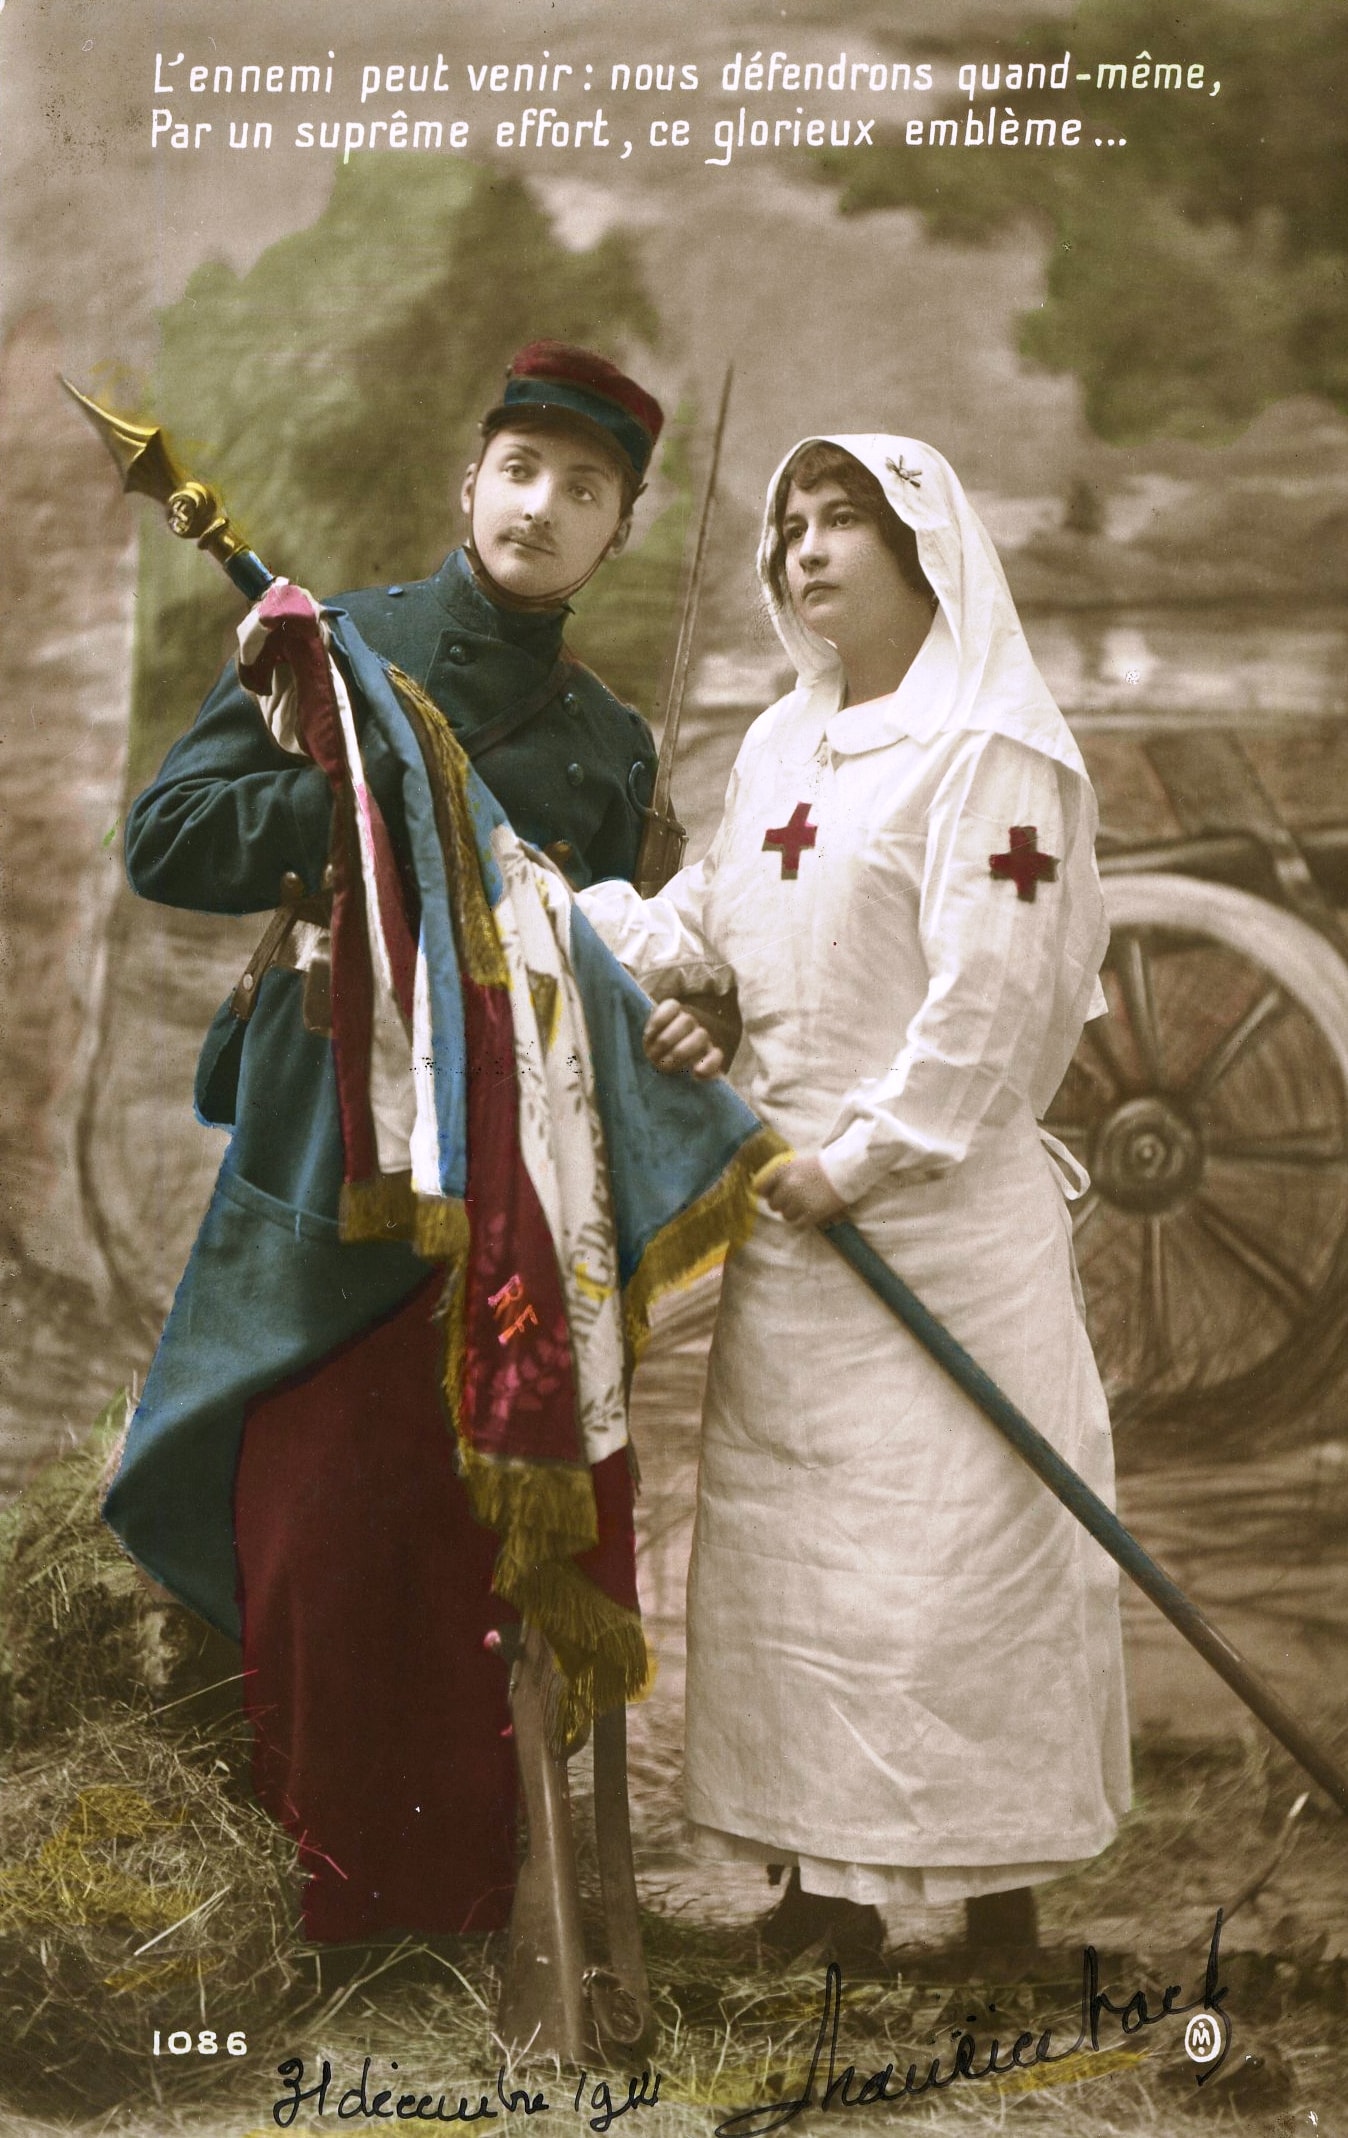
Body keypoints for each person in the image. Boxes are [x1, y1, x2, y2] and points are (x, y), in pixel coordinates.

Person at [105, 344, 665, 1952]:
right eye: (521, 471)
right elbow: (164, 837)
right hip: (333, 1157)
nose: (541, 507)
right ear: (470, 482)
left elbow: (607, 966)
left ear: (616, 530)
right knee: (316, 1529)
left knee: (462, 1534)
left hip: (508, 1186)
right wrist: (345, 795)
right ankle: (321, 1909)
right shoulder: (333, 648)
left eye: (584, 489)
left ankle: (464, 1912)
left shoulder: (609, 742)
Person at [580, 433, 1131, 1967]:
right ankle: (824, 1896)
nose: (808, 548)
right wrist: (547, 906)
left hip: (940, 1229)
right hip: (796, 1227)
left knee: (959, 1565)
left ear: (922, 549)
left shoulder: (992, 753)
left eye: (844, 521)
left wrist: (867, 1158)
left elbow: (993, 996)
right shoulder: (780, 746)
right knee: (805, 1566)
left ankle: (994, 1903)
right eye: (793, 524)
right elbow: (708, 929)